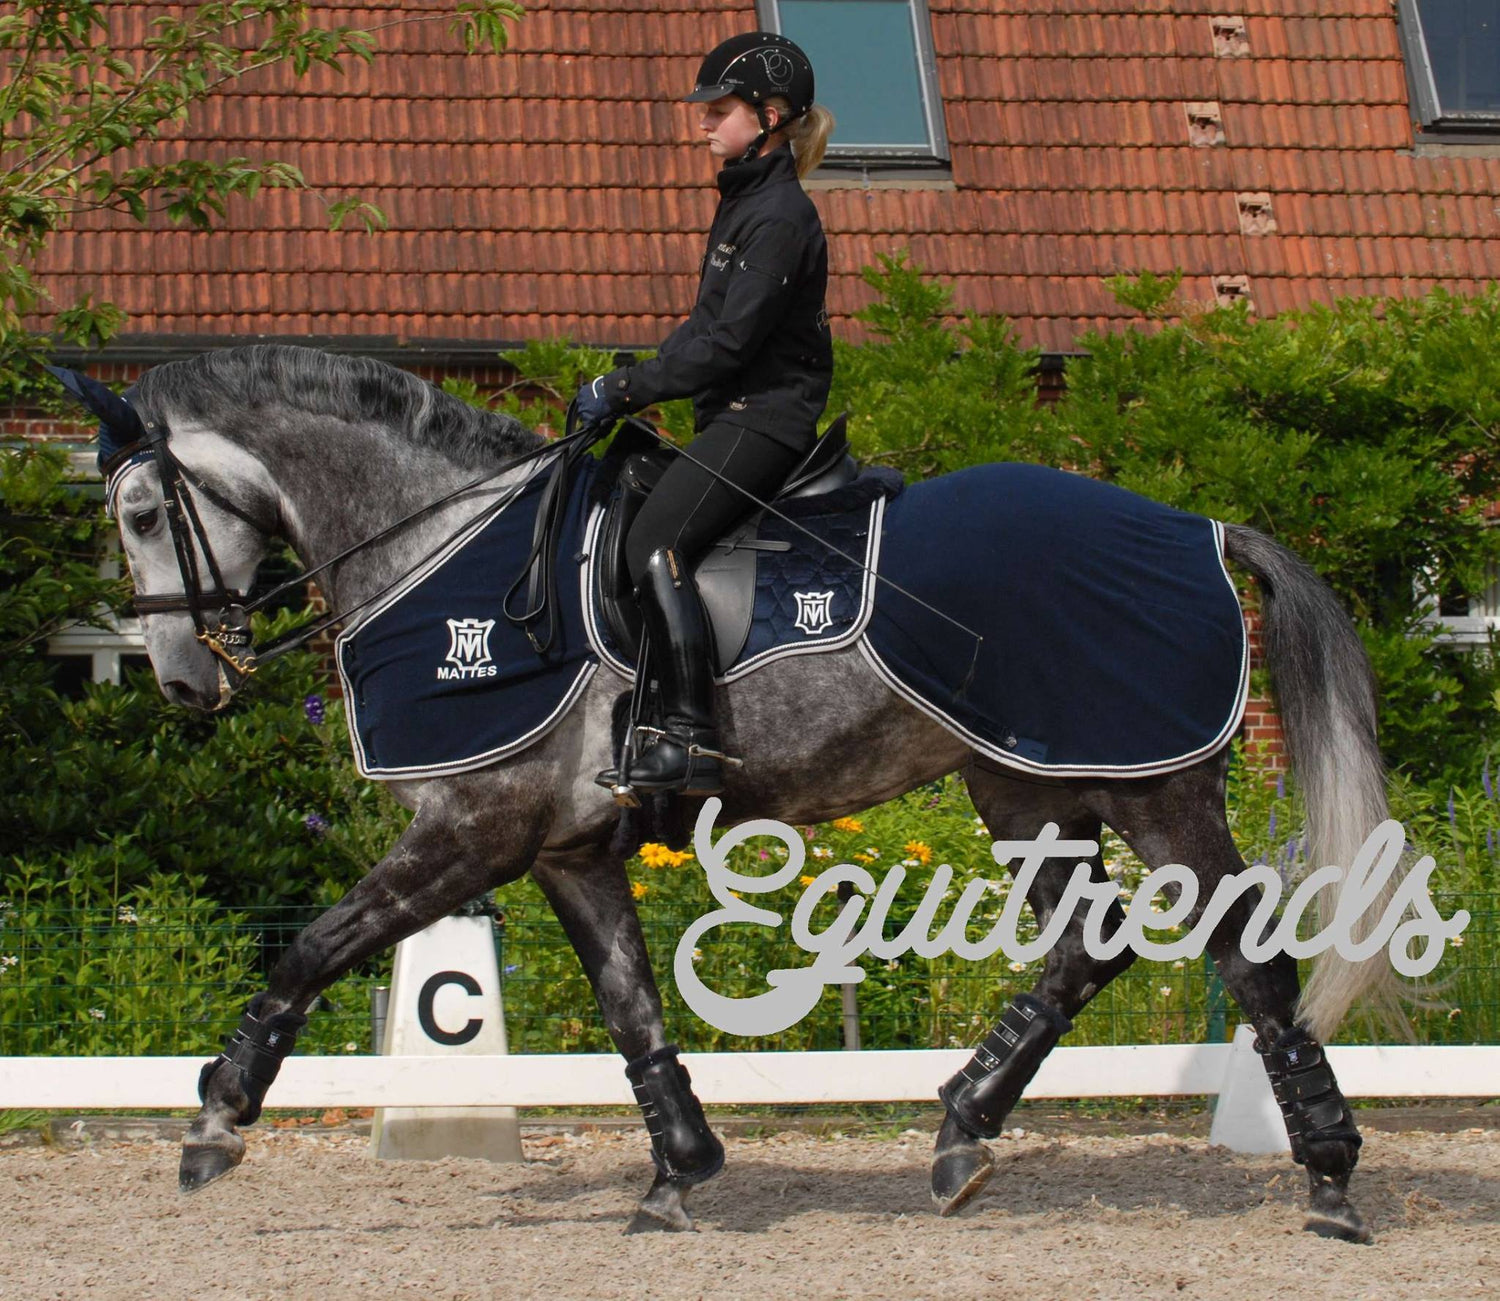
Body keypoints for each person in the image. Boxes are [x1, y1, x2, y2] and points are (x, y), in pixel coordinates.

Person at [578, 32, 837, 797]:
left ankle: (691, 735)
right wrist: (626, 381)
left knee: (657, 536)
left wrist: (625, 392)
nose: (702, 122)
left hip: (768, 419)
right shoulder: (745, 201)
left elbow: (727, 345)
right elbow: (700, 329)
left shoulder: (779, 216)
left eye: (718, 110)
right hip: (735, 414)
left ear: (770, 115)